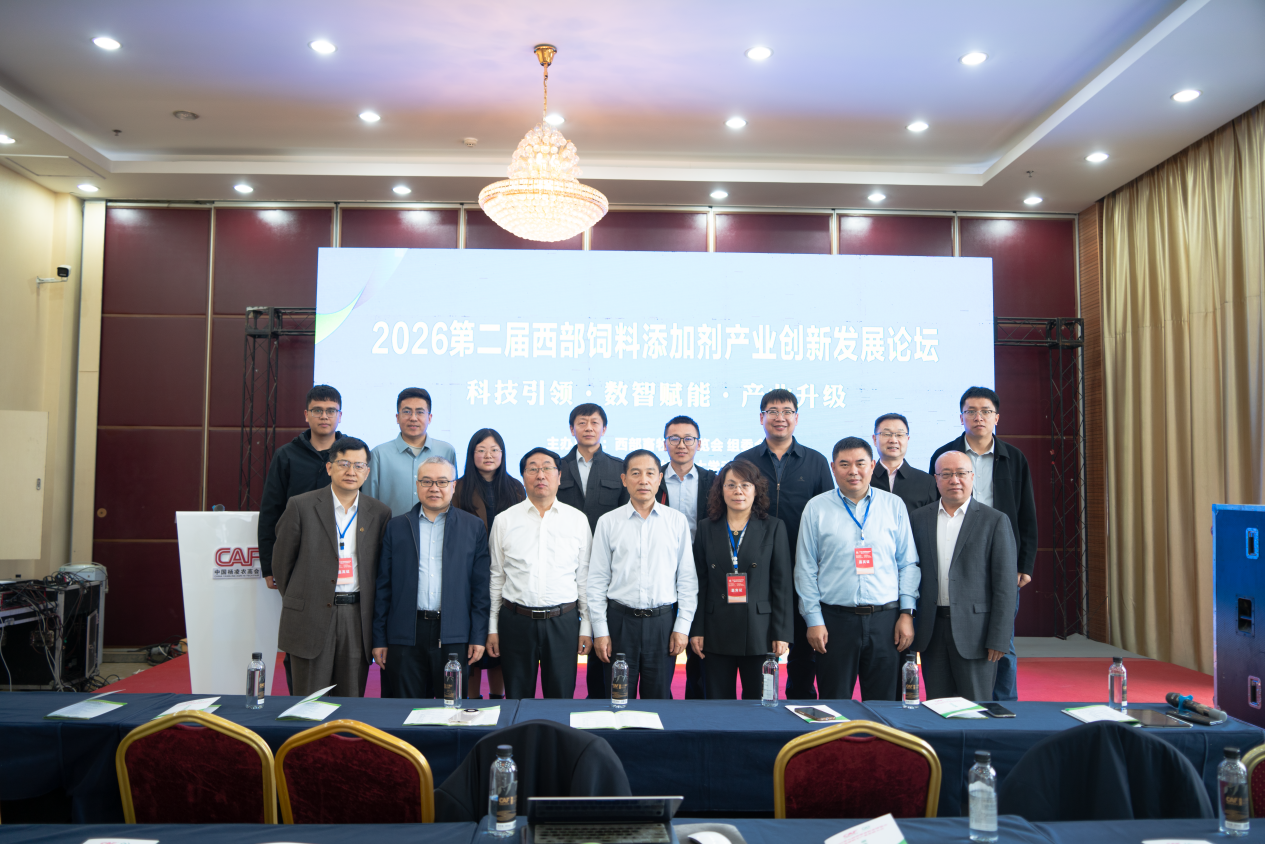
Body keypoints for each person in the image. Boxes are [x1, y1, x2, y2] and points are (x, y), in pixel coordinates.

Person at [929, 386, 1036, 702]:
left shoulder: (1013, 458)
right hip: (956, 552)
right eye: (971, 411)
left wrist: (1025, 564)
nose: (979, 417)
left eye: (986, 411)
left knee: (1002, 638)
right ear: (961, 417)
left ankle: (1002, 703)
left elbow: (1026, 514)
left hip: (1000, 554)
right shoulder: (945, 455)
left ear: (997, 417)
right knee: (959, 632)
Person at [795, 437, 920, 701]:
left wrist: (906, 613)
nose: (853, 471)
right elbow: (805, 569)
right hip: (835, 622)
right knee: (834, 703)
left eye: (860, 463)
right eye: (844, 464)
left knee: (884, 705)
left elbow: (907, 563)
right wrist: (814, 620)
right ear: (833, 468)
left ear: (872, 465)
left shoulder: (893, 505)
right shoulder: (816, 508)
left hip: (886, 621)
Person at [272, 437, 391, 697]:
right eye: (344, 464)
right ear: (329, 467)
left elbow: (381, 571)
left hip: (357, 617)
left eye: (359, 466)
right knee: (309, 701)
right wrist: (304, 599)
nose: (351, 471)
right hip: (311, 614)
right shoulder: (300, 505)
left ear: (367, 472)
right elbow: (282, 564)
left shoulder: (380, 513)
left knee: (350, 699)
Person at [737, 388, 833, 699]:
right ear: (761, 417)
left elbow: (828, 514)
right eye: (773, 411)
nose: (780, 417)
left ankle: (800, 700)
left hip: (804, 565)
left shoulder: (815, 461)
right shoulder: (745, 461)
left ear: (796, 418)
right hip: (758, 566)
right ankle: (762, 702)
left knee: (804, 645)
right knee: (762, 640)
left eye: (787, 411)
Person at [372, 457, 491, 699]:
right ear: (417, 485)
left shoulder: (473, 527)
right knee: (404, 708)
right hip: (405, 633)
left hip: (454, 633)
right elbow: (383, 587)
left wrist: (478, 636)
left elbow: (480, 589)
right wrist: (380, 638)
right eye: (427, 481)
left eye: (442, 482)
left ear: (453, 485)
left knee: (451, 709)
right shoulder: (397, 527)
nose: (434, 488)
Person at [258, 384, 348, 692]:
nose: (324, 416)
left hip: (344, 559)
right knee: (302, 634)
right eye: (317, 410)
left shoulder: (350, 454)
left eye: (331, 411)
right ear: (306, 415)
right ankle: (302, 699)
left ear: (340, 415)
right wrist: (269, 565)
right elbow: (270, 511)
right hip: (300, 558)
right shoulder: (287, 455)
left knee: (341, 637)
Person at [588, 450, 698, 700]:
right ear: (624, 479)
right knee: (617, 700)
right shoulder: (608, 522)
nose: (643, 480)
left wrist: (682, 627)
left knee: (658, 701)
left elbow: (687, 581)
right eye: (635, 473)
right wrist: (600, 631)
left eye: (650, 473)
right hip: (619, 623)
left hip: (662, 624)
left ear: (660, 479)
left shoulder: (676, 521)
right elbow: (596, 582)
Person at [909, 452, 1017, 700]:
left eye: (961, 473)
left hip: (977, 633)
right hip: (932, 630)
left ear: (972, 477)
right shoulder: (919, 518)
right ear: (936, 479)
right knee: (937, 706)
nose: (954, 480)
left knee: (976, 708)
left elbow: (1005, 586)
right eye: (946, 474)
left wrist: (999, 637)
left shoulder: (994, 520)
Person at [487, 447, 593, 699]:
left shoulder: (577, 520)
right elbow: (496, 577)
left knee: (560, 699)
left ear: (559, 476)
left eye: (547, 468)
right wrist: (492, 626)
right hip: (516, 621)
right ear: (523, 477)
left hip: (563, 622)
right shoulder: (504, 520)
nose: (540, 475)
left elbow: (584, 578)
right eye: (532, 469)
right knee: (517, 699)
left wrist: (586, 626)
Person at [689, 459, 792, 699]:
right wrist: (697, 629)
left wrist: (781, 633)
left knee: (760, 704)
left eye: (745, 485)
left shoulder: (773, 527)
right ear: (720, 490)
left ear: (756, 490)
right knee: (717, 704)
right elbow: (699, 584)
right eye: (731, 485)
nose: (738, 491)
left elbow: (782, 585)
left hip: (760, 631)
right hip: (715, 630)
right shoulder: (706, 528)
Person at [557, 403, 629, 698]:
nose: (588, 427)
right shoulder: (556, 467)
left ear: (604, 428)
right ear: (571, 428)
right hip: (563, 562)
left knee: (602, 631)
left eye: (594, 422)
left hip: (607, 564)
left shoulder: (619, 468)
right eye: (582, 422)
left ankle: (598, 697)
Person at [452, 428, 526, 700]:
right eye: (481, 450)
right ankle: (471, 700)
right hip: (469, 572)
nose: (488, 455)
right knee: (472, 638)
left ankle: (497, 698)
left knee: (500, 642)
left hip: (507, 573)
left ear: (503, 454)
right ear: (471, 454)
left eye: (495, 450)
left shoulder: (515, 487)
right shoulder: (458, 487)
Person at [657, 414, 716, 700]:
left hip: (702, 571)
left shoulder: (712, 481)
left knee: (699, 644)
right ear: (664, 443)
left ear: (699, 444)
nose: (681, 445)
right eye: (674, 438)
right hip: (660, 570)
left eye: (688, 439)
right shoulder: (652, 477)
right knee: (662, 644)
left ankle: (696, 706)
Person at [365, 387, 457, 518]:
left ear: (430, 417)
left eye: (420, 412)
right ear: (397, 417)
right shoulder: (378, 454)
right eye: (407, 412)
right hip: (390, 529)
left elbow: (452, 498)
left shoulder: (446, 451)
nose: (413, 418)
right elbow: (368, 503)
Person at [870, 413, 937, 515]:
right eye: (886, 434)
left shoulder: (927, 482)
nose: (893, 440)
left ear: (907, 439)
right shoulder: (863, 479)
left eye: (899, 435)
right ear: (875, 439)